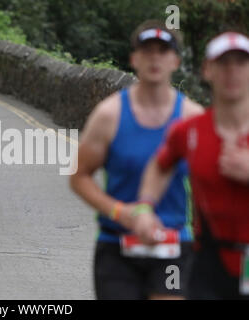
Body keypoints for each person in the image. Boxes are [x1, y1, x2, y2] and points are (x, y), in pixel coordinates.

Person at [70, 21, 203, 299]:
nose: (154, 57)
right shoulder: (109, 115)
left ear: (176, 61)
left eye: (163, 51)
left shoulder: (192, 118)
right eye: (147, 51)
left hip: (173, 245)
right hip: (118, 246)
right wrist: (121, 212)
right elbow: (79, 176)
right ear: (134, 59)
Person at [138, 31, 249, 299]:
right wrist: (144, 208)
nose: (232, 72)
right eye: (223, 63)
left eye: (241, 63)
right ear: (207, 70)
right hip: (208, 263)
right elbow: (160, 165)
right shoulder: (188, 131)